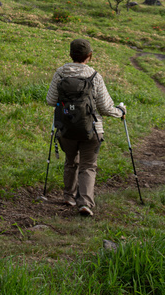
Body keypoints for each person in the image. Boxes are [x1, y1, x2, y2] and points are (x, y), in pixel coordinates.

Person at [46, 38, 125, 216]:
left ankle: (68, 196)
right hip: (92, 129)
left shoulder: (60, 74)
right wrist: (120, 111)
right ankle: (85, 203)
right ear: (89, 56)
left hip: (65, 128)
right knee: (88, 165)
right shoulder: (95, 76)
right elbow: (105, 108)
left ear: (70, 55)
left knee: (70, 161)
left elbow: (51, 100)